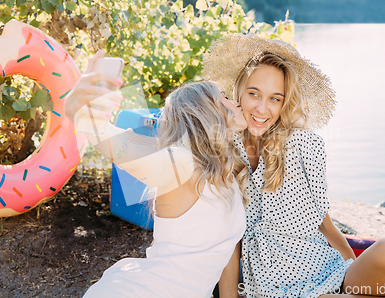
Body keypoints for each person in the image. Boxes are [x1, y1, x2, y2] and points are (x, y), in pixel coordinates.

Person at [203, 34, 385, 298]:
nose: (263, 108)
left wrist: (355, 271)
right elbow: (229, 240)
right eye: (254, 94)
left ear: (284, 103)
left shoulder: (303, 146)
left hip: (330, 273)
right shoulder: (222, 154)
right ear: (239, 91)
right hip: (278, 290)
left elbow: (326, 226)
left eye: (275, 98)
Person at [64, 51, 248, 298]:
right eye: (223, 97)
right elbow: (130, 152)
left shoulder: (223, 168)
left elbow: (224, 250)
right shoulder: (184, 162)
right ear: (205, 112)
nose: (235, 101)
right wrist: (80, 113)